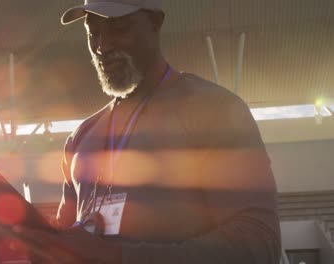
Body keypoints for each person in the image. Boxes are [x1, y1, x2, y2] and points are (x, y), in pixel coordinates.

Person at [15, 0, 281, 263]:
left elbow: (259, 244)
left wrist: (118, 256)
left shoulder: (213, 110)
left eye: (119, 29)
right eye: (93, 33)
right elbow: (70, 235)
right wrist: (44, 245)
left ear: (155, 22)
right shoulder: (81, 137)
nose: (101, 47)